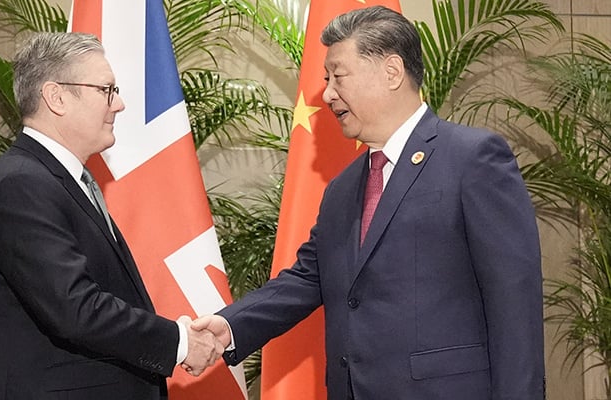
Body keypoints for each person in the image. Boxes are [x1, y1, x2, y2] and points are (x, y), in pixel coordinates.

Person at [191, 5, 544, 400]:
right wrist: (231, 326)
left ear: (392, 71)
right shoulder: (342, 188)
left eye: (338, 76)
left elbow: (514, 302)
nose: (326, 94)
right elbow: (308, 278)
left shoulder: (472, 158)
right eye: (326, 79)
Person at [0, 32, 222, 400]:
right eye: (107, 90)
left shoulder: (58, 178)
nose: (119, 105)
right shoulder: (23, 184)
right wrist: (179, 342)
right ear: (56, 97)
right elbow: (75, 309)